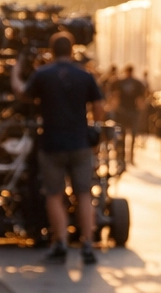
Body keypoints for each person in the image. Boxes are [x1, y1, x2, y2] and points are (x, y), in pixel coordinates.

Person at [23, 32, 104, 264]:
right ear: (72, 49)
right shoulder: (85, 76)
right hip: (80, 143)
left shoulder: (42, 75)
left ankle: (60, 242)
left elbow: (24, 95)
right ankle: (87, 243)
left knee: (54, 194)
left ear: (51, 50)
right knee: (84, 193)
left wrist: (17, 74)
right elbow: (99, 106)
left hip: (52, 144)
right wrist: (95, 126)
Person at [112, 64, 148, 163]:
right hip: (133, 111)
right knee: (132, 134)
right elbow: (140, 99)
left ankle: (122, 155)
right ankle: (130, 156)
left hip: (122, 110)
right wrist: (142, 110)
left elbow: (115, 96)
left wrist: (114, 108)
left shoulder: (119, 82)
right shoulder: (137, 83)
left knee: (122, 134)